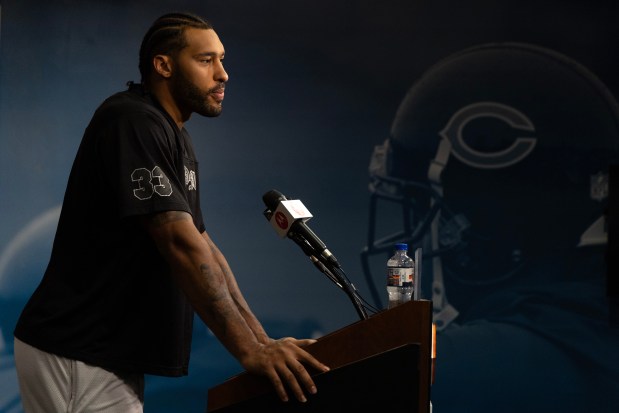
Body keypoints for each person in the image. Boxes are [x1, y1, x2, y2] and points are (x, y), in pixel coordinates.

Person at [13, 11, 329, 412]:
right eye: (205, 60)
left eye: (222, 59)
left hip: (103, 353)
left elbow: (204, 247)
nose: (223, 74)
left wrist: (262, 342)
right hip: (76, 350)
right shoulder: (132, 120)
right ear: (163, 65)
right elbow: (180, 244)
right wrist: (250, 352)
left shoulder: (172, 135)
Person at [362, 42, 619, 412]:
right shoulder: (586, 335)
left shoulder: (489, 367)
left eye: (430, 214)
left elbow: (339, 378)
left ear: (484, 229)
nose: (423, 230)